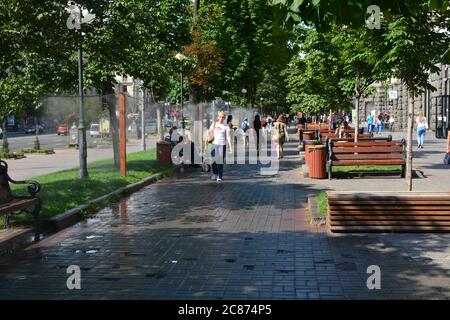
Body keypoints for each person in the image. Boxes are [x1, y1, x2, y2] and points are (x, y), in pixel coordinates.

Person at [208, 111, 232, 182]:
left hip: (222, 145)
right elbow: (209, 131)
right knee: (213, 160)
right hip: (214, 144)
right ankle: (215, 173)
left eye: (223, 117)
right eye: (220, 117)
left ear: (224, 118)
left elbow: (228, 136)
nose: (221, 118)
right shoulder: (214, 124)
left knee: (220, 161)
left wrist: (230, 146)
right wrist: (211, 128)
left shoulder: (226, 126)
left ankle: (219, 176)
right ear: (218, 117)